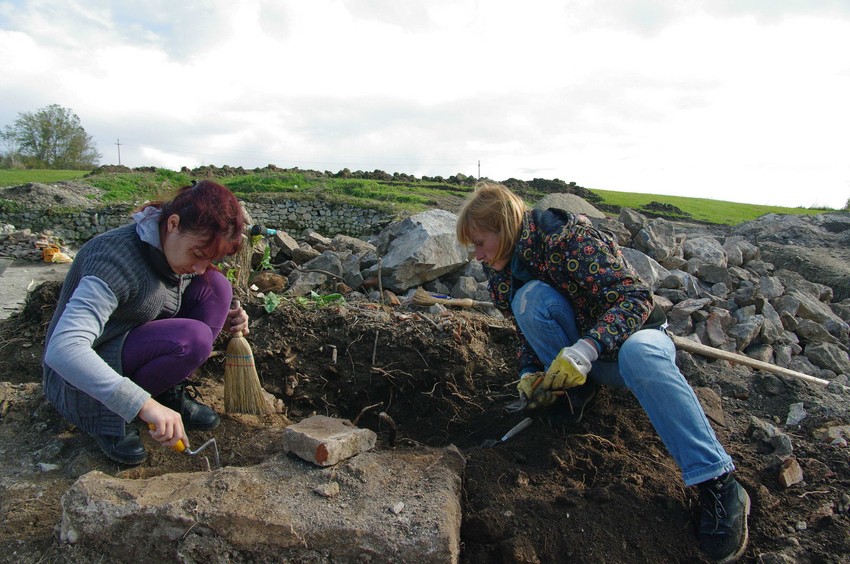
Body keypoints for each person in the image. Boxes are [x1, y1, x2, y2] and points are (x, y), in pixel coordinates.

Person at [456, 182, 750, 563]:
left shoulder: (567, 240)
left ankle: (718, 480)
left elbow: (638, 298)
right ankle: (576, 394)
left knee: (640, 356)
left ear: (505, 227)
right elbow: (524, 328)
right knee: (528, 300)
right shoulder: (501, 268)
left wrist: (586, 348)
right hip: (586, 358)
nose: (477, 255)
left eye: (480, 243)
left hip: (632, 340)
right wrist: (530, 371)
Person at [43, 180, 249, 466]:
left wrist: (224, 317)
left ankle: (165, 393)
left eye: (210, 258)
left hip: (127, 343)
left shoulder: (173, 248)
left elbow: (161, 299)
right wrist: (141, 403)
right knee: (193, 337)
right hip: (79, 379)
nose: (199, 267)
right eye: (199, 254)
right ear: (173, 224)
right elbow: (63, 349)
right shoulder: (114, 260)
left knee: (217, 287)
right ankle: (111, 415)